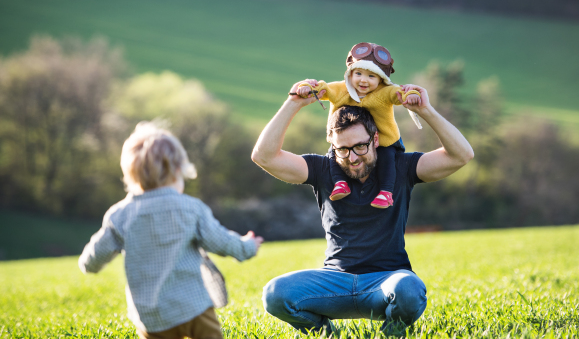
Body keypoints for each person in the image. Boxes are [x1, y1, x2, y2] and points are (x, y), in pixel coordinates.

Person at [251, 80, 474, 335]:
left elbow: (461, 155)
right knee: (275, 294)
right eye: (342, 149)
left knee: (409, 289)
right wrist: (294, 103)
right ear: (332, 144)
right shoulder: (323, 169)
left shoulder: (400, 166)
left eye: (360, 146)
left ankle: (389, 334)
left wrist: (425, 110)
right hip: (336, 282)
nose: (352, 157)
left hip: (386, 282)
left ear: (376, 138)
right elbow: (264, 157)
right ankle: (325, 334)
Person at [79, 122, 263, 339]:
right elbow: (221, 241)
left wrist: (88, 263)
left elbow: (92, 259)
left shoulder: (119, 215)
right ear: (178, 170)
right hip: (194, 307)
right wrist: (248, 246)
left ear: (130, 174)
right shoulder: (191, 208)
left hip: (151, 316)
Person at [295, 42, 422, 208]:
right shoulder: (341, 89)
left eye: (371, 76)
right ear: (350, 74)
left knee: (387, 158)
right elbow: (323, 88)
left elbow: (399, 93)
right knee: (334, 155)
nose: (364, 80)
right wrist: (306, 87)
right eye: (359, 73)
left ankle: (386, 192)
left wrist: (411, 95)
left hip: (384, 139)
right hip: (344, 139)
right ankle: (340, 183)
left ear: (381, 80)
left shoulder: (383, 92)